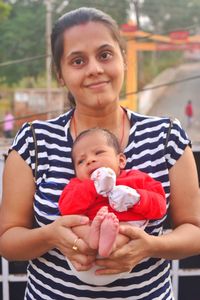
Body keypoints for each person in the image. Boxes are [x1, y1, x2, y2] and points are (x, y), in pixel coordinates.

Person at [0, 6, 200, 300]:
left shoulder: (166, 136)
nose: (94, 68)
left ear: (123, 60)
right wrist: (51, 236)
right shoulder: (33, 142)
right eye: (78, 60)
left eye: (105, 55)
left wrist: (150, 246)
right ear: (60, 73)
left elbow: (194, 230)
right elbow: (7, 239)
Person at [59, 127, 166, 285]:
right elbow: (66, 208)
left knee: (126, 230)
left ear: (121, 161)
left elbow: (159, 206)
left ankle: (111, 242)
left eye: (98, 153)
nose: (89, 160)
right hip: (86, 241)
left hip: (121, 232)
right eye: (81, 161)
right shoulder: (77, 185)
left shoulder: (136, 179)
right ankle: (93, 236)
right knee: (75, 223)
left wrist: (136, 198)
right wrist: (93, 186)